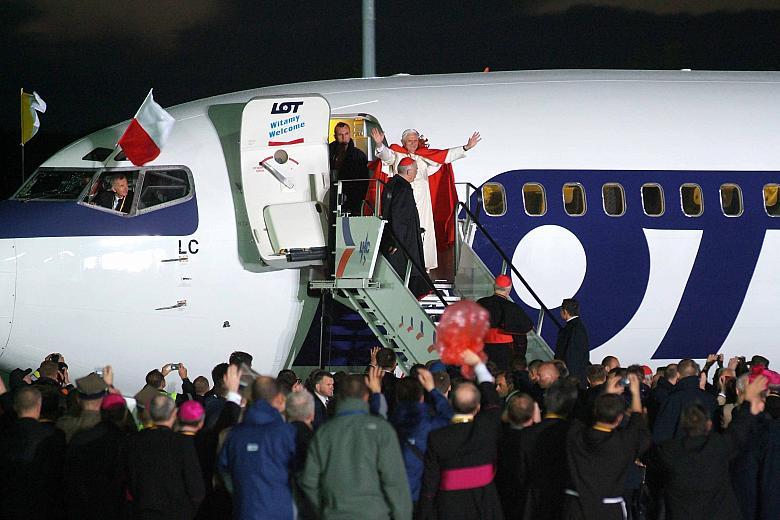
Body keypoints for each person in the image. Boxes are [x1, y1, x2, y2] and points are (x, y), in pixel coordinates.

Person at [651, 375, 768, 520]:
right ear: (709, 424)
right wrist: (748, 402)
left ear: (684, 425)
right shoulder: (719, 446)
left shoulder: (668, 451)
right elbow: (739, 429)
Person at [301, 374, 412, 520]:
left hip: (335, 513)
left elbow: (309, 481)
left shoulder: (324, 432)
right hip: (375, 513)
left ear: (340, 396)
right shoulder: (382, 430)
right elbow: (395, 481)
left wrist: (325, 509)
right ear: (366, 395)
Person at [371, 127, 480, 270]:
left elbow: (445, 156)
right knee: (404, 232)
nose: (413, 143)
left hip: (423, 203)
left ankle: (425, 266)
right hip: (403, 202)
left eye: (415, 140)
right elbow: (385, 155)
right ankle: (406, 265)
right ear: (403, 142)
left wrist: (465, 148)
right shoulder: (397, 154)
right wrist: (379, 144)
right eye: (410, 141)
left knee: (425, 233)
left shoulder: (424, 156)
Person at [418, 350, 503, 520]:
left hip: (450, 504)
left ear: (451, 403)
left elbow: (430, 482)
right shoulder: (486, 428)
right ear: (478, 407)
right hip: (485, 502)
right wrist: (478, 365)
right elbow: (493, 402)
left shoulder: (437, 438)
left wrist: (425, 511)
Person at [563, 372, 650, 520]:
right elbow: (637, 426)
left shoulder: (575, 436)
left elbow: (581, 417)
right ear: (619, 418)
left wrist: (606, 393)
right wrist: (636, 394)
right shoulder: (623, 443)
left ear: (596, 411)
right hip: (609, 511)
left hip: (575, 508)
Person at [218, 377, 298, 520]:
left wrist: (240, 492)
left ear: (251, 397)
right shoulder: (287, 432)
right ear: (279, 397)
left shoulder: (234, 435)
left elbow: (224, 470)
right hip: (281, 509)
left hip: (244, 509)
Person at [124, 394, 205, 519]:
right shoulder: (182, 443)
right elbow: (195, 487)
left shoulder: (134, 440)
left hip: (141, 510)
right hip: (176, 513)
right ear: (174, 414)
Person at [512, 380, 578, 520]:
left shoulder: (527, 434)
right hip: (566, 499)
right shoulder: (576, 432)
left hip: (536, 499)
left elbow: (521, 472)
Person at [65, 393, 136, 520]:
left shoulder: (81, 437)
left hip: (84, 504)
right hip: (116, 507)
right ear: (125, 414)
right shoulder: (129, 442)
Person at [0, 386, 66, 519]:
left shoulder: (5, 432)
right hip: (40, 507)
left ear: (15, 406)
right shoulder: (53, 436)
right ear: (39, 406)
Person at [390, 368, 453, 504]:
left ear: (397, 397)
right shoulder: (430, 424)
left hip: (395, 493)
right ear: (422, 397)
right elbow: (450, 418)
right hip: (425, 493)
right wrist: (433, 390)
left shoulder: (387, 425)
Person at [380, 157, 429, 296]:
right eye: (415, 170)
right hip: (403, 242)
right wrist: (395, 241)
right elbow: (399, 218)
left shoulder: (393, 184)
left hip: (397, 237)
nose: (416, 173)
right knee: (409, 274)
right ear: (408, 171)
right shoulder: (403, 189)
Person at [653, 359, 719, 444]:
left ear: (677, 374)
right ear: (696, 374)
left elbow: (661, 435)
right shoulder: (711, 399)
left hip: (677, 453)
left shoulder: (672, 400)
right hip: (706, 453)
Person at [477, 274, 533, 370]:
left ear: (494, 287)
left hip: (483, 349)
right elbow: (521, 333)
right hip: (505, 351)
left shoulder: (481, 303)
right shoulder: (512, 307)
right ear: (508, 291)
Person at [56, 369, 110, 442]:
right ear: (104, 399)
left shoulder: (64, 425)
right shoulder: (111, 430)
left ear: (78, 399)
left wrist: (68, 384)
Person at [330, 122, 369, 215]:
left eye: (346, 134)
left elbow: (363, 182)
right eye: (340, 134)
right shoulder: (328, 152)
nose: (344, 137)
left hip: (352, 198)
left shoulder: (359, 155)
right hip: (330, 193)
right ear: (335, 136)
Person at [554, 298, 590, 383]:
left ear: (565, 311)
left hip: (571, 378)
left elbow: (572, 355)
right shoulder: (577, 327)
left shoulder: (573, 329)